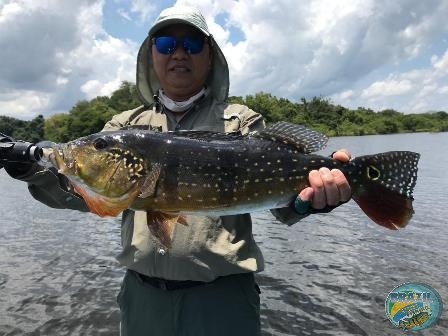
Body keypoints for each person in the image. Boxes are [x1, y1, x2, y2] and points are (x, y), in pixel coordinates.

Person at [4, 6, 351, 336]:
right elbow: (85, 196)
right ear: (151, 56)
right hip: (142, 299)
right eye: (167, 44)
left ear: (210, 55)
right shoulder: (123, 127)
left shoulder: (242, 123)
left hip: (223, 302)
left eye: (193, 43)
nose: (179, 53)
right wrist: (33, 169)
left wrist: (311, 202)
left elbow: (281, 204)